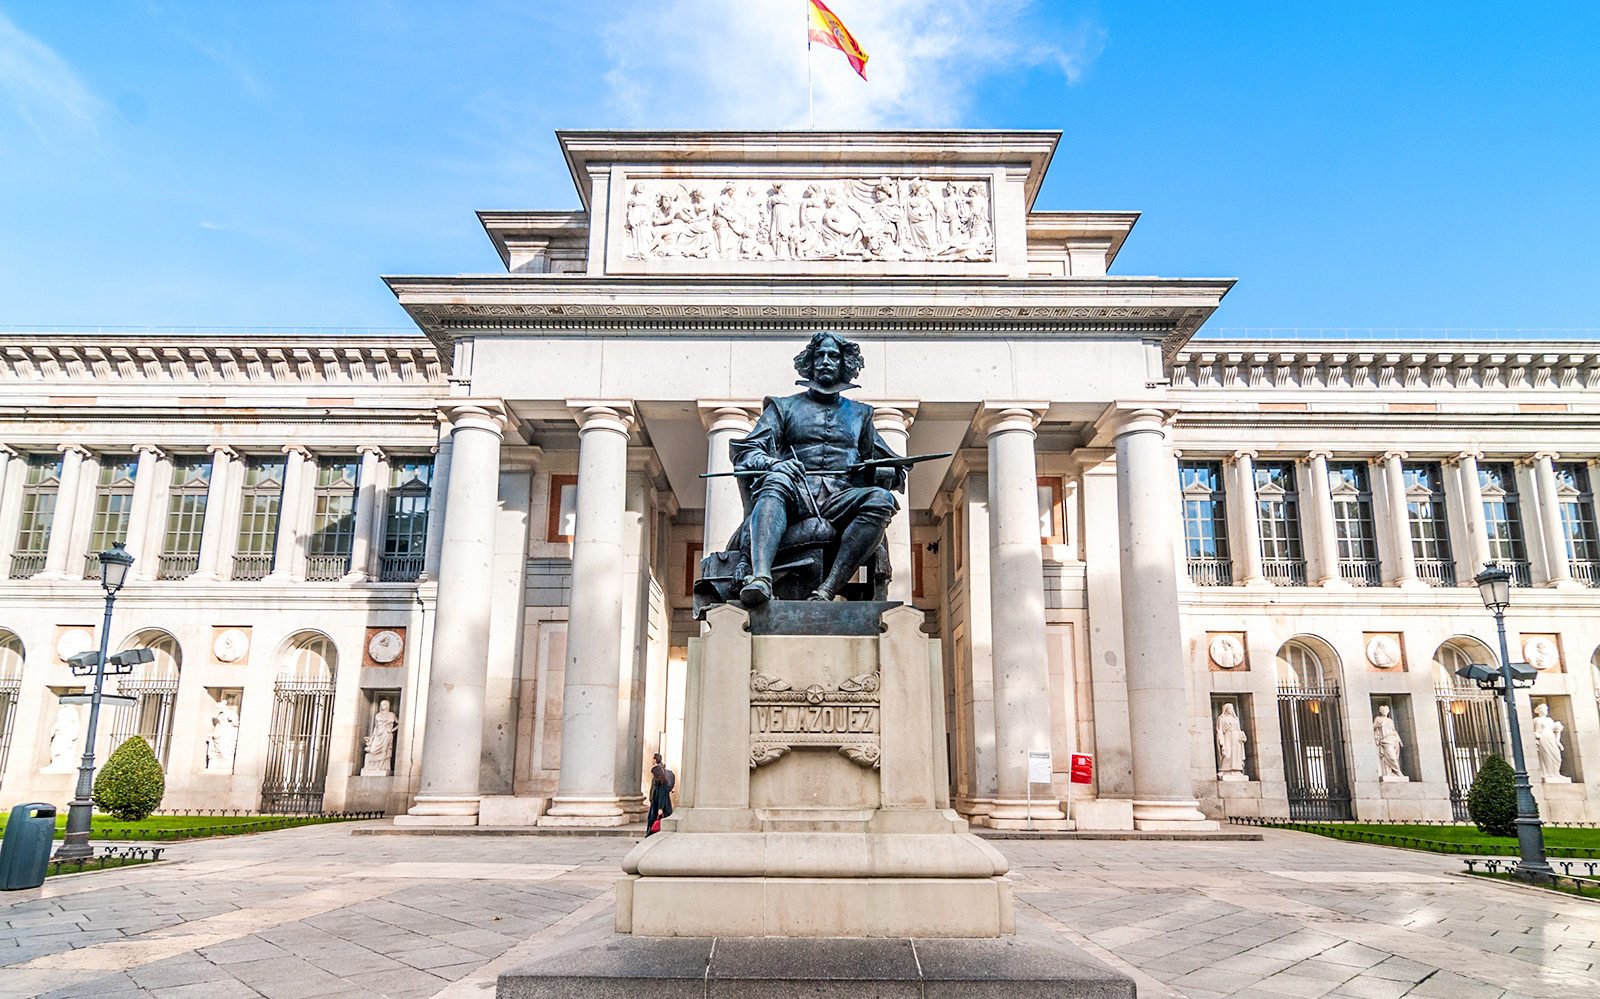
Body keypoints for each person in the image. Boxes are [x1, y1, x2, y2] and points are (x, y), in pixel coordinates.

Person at [729, 331, 905, 604]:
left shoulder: (861, 414)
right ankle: (760, 579)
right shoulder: (783, 407)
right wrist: (775, 464)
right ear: (809, 363)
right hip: (795, 495)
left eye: (833, 356)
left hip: (841, 499)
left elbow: (890, 467)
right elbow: (746, 452)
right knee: (775, 480)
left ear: (845, 364)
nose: (825, 361)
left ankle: (828, 590)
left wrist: (884, 471)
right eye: (819, 355)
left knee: (881, 499)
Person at [646, 753, 675, 835]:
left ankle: (649, 836)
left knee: (653, 821)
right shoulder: (662, 782)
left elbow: (661, 796)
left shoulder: (661, 784)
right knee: (653, 820)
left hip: (660, 806)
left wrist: (660, 808)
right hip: (658, 804)